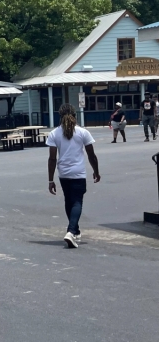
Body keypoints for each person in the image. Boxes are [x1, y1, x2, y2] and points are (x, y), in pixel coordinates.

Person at [47, 103, 101, 248]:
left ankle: (75, 231)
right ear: (75, 115)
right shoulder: (83, 132)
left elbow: (52, 158)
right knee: (77, 202)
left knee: (69, 201)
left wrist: (50, 180)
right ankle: (71, 231)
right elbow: (91, 155)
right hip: (78, 173)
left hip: (63, 173)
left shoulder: (54, 133)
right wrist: (96, 171)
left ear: (59, 116)